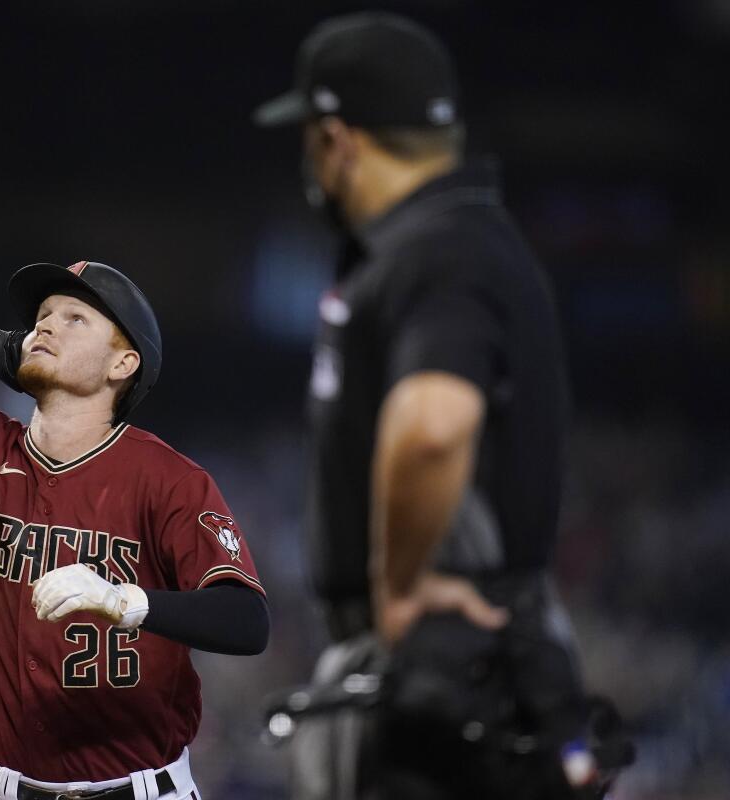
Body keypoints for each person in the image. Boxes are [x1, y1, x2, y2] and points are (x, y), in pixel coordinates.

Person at [0, 96, 268, 800]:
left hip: (139, 788)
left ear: (123, 364)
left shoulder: (166, 479)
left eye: (74, 317)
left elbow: (247, 621)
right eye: (42, 315)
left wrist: (128, 602)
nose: (47, 325)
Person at [254, 12, 608, 800]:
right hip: (459, 676)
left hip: (450, 678)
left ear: (337, 138)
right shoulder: (454, 239)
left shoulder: (442, 246)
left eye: (310, 135)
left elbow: (433, 427)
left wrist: (400, 586)